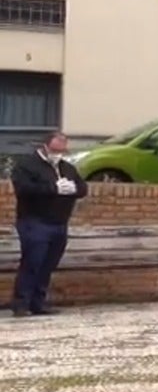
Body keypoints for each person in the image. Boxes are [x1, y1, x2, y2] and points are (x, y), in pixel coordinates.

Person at [9, 131, 86, 318]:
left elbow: (82, 188)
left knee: (48, 264)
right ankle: (21, 303)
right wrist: (53, 188)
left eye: (62, 150)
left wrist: (73, 189)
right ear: (45, 146)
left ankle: (38, 302)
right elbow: (24, 188)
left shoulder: (67, 167)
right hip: (34, 221)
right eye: (55, 149)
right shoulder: (27, 166)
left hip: (59, 222)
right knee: (33, 261)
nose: (58, 154)